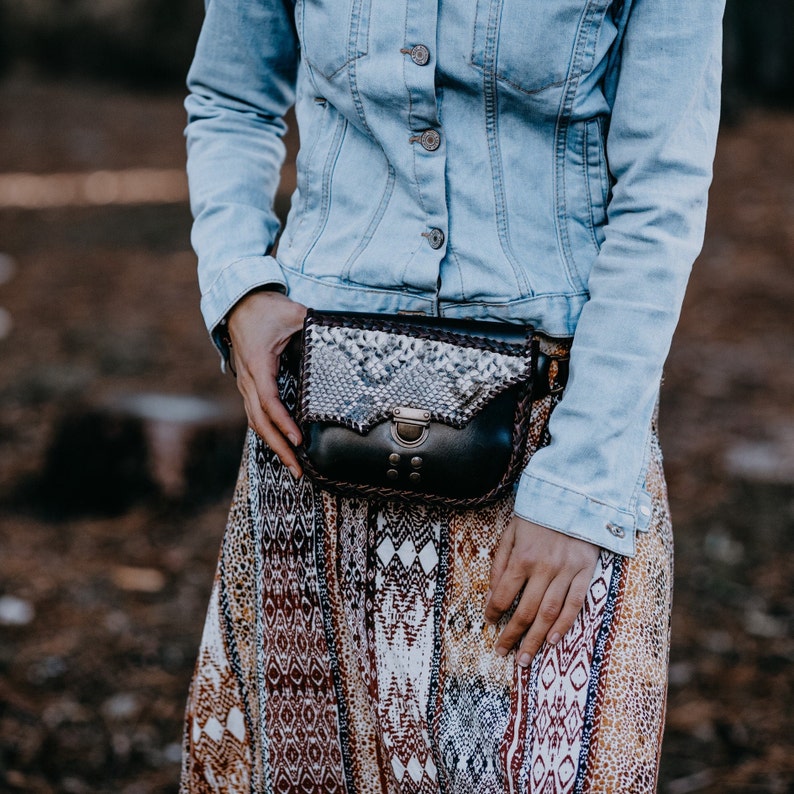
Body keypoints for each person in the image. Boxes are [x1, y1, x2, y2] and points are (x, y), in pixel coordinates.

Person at [180, 0, 724, 791]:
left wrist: (577, 490)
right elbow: (231, 97)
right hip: (321, 434)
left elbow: (661, 194)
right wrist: (240, 284)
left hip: (551, 451)